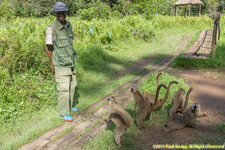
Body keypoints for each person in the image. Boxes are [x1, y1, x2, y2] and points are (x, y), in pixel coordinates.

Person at [45, 2, 79, 122]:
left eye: (63, 12)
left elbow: (71, 43)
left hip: (70, 62)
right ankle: (64, 113)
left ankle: (70, 106)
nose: (61, 15)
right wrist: (52, 63)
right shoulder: (51, 28)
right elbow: (48, 48)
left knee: (73, 86)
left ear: (66, 12)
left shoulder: (69, 25)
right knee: (63, 89)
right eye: (58, 12)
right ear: (55, 13)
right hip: (60, 63)